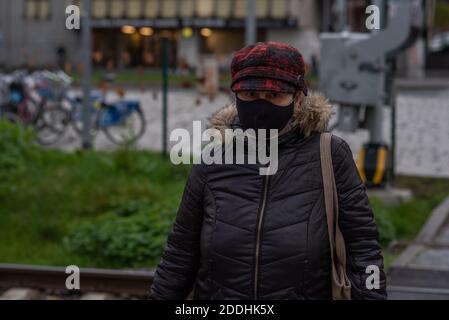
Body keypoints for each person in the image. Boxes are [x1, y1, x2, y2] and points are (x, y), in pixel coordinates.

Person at [149, 41, 387, 300]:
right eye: (251, 95)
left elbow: (364, 249)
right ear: (235, 96)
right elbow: (179, 255)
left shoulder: (330, 155)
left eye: (274, 96)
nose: (261, 106)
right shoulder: (213, 159)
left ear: (297, 97)